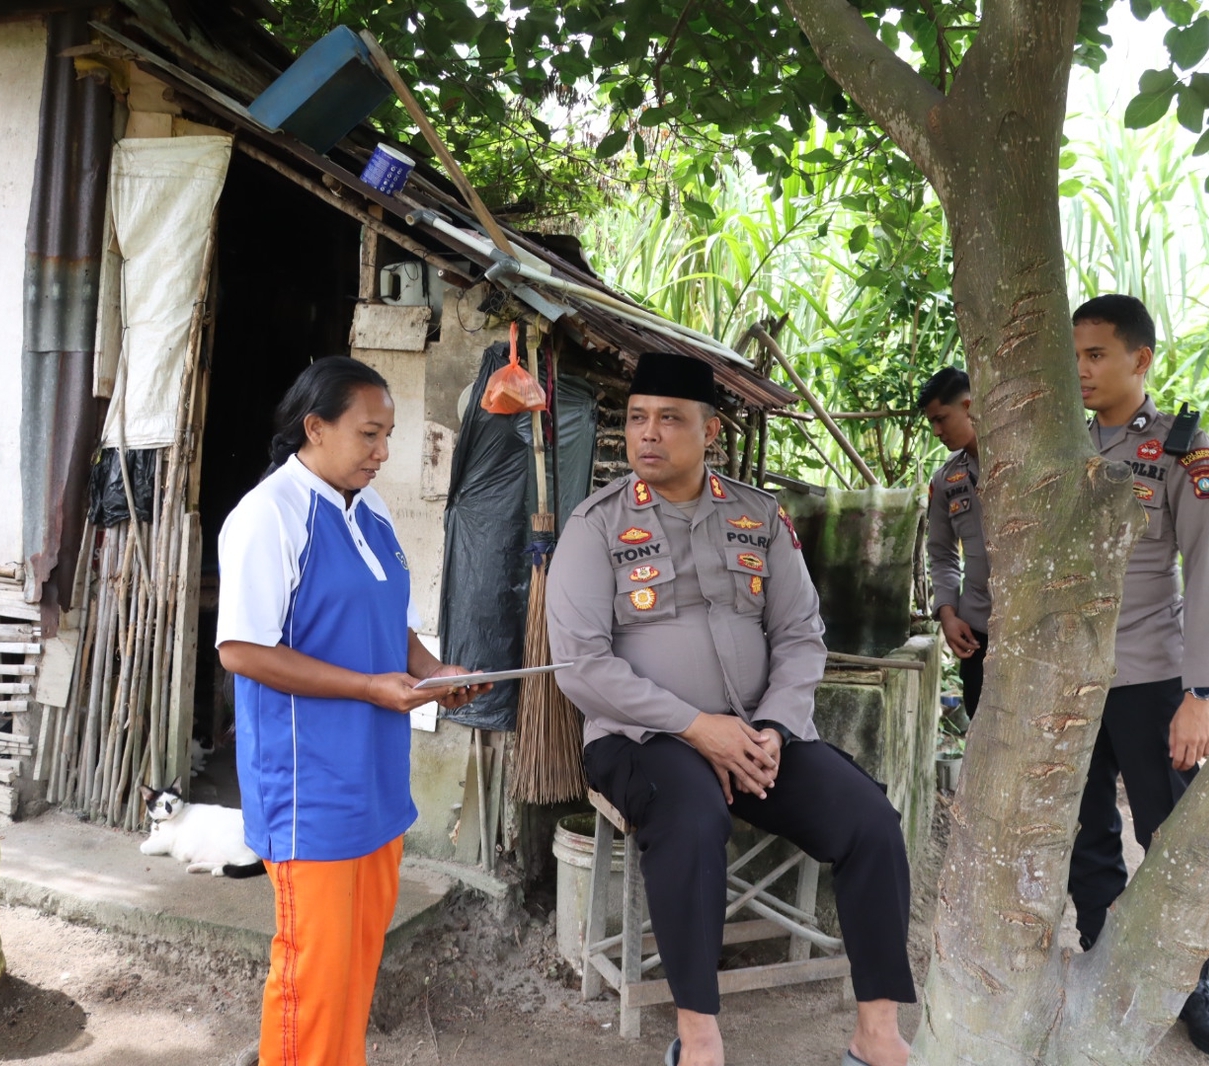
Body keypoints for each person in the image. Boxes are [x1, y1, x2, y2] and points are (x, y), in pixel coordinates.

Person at [546, 352, 916, 1066]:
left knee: (869, 819)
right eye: (637, 418)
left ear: (710, 432)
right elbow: (582, 667)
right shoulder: (594, 528)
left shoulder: (758, 518)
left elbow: (801, 634)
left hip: (754, 733)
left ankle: (877, 1034)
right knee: (691, 816)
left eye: (670, 420)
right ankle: (698, 1041)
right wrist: (695, 728)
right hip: (640, 740)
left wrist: (774, 727)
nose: (647, 434)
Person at [215, 356, 489, 1066]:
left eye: (388, 434)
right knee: (313, 977)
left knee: (354, 970)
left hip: (375, 780)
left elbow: (391, 626)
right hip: (308, 786)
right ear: (315, 428)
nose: (383, 452)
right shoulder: (269, 515)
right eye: (369, 434)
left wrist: (433, 675)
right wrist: (371, 688)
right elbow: (242, 650)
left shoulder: (371, 508)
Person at [1070, 295, 1209, 1057]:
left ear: (1140, 359)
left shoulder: (1181, 449)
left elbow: (1207, 570)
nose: (1081, 368)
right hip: (1067, 681)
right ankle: (1104, 963)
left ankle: (1190, 982)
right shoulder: (1057, 443)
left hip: (1150, 676)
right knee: (1085, 835)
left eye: (1096, 354)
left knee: (1170, 839)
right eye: (1075, 354)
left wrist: (1200, 695)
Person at [919, 367, 990, 716]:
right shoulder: (947, 479)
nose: (937, 431)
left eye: (942, 418)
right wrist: (947, 612)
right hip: (978, 633)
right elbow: (941, 553)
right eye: (932, 422)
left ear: (969, 405)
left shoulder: (1033, 462)